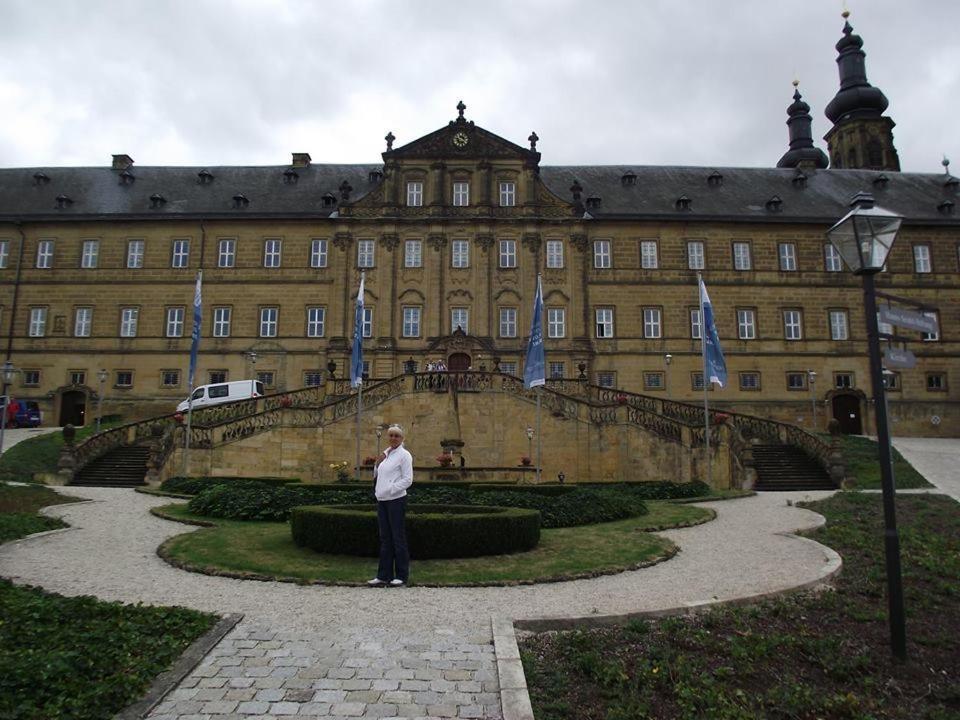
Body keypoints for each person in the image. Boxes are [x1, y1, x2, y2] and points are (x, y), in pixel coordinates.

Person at [368, 424, 413, 587]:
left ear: (402, 438)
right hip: (383, 501)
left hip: (396, 500)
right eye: (391, 435)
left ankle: (401, 575)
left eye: (396, 436)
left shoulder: (404, 455)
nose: (393, 438)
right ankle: (383, 575)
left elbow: (408, 480)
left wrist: (391, 489)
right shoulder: (385, 455)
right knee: (385, 539)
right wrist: (376, 465)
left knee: (398, 538)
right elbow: (379, 475)